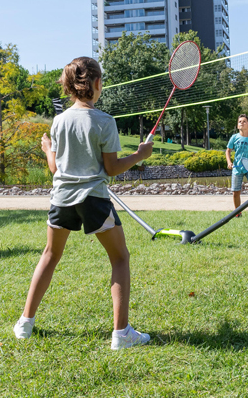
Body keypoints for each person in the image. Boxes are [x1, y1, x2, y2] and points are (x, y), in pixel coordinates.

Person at [14, 57, 155, 350]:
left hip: (61, 198)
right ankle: (121, 334)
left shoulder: (59, 121)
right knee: (119, 258)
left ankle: (25, 323)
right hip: (93, 199)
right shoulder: (104, 121)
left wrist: (47, 149)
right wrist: (140, 156)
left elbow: (56, 169)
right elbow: (112, 168)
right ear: (96, 83)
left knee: (50, 255)